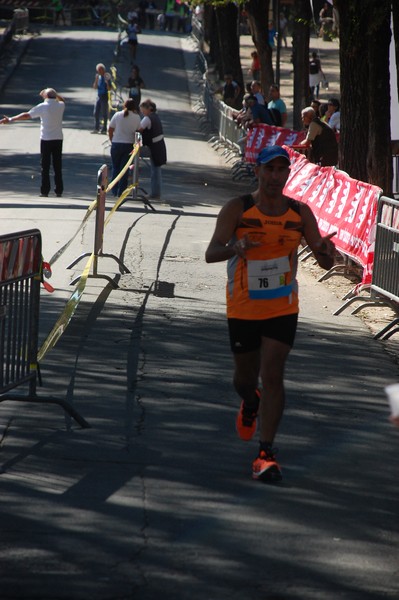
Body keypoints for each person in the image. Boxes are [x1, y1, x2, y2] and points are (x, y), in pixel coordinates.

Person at [205, 145, 336, 482]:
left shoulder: (299, 213)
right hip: (244, 306)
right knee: (245, 380)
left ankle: (266, 453)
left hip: (282, 305)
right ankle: (251, 402)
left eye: (281, 170)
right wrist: (235, 248)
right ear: (258, 172)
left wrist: (326, 253)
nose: (276, 177)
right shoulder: (238, 209)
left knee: (274, 373)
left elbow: (323, 256)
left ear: (287, 174)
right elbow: (211, 252)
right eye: (269, 170)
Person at [0, 88, 65, 198]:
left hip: (46, 139)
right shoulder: (61, 105)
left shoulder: (42, 106)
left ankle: (45, 190)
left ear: (45, 96)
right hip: (58, 138)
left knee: (45, 165)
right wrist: (53, 93)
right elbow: (61, 99)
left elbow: (26, 115)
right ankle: (59, 190)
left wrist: (11, 119)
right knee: (57, 165)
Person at [108, 98, 141, 197]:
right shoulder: (136, 117)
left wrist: (112, 139)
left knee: (115, 167)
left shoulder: (117, 115)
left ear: (124, 105)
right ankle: (121, 191)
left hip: (116, 143)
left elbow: (110, 128)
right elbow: (138, 131)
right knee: (124, 169)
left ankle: (114, 189)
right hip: (128, 145)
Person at [139, 99, 167, 199]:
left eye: (143, 111)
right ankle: (156, 192)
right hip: (159, 145)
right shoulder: (155, 116)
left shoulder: (147, 119)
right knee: (156, 170)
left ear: (149, 109)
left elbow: (139, 129)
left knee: (155, 171)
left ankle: (155, 193)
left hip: (154, 146)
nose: (142, 113)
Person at [92, 63, 111, 134]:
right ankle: (96, 128)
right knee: (96, 112)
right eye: (98, 70)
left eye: (100, 70)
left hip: (104, 96)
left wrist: (107, 83)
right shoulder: (98, 77)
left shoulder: (107, 77)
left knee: (104, 113)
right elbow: (94, 87)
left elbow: (109, 88)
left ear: (103, 70)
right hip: (99, 96)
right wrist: (96, 80)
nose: (99, 72)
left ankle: (104, 129)